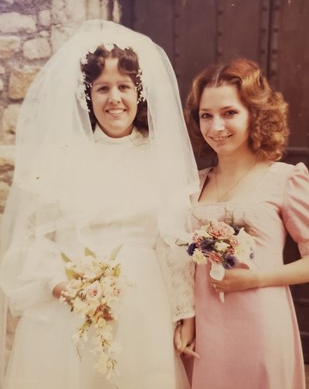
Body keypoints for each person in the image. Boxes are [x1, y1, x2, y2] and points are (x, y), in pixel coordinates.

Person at [0, 20, 200, 389]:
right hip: (69, 306)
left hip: (143, 304)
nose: (114, 99)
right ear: (86, 95)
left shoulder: (159, 157)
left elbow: (175, 242)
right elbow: (32, 238)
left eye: (124, 86)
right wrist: (62, 287)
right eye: (102, 88)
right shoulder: (62, 159)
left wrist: (184, 311)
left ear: (138, 92)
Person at [185, 58, 309, 389]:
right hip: (205, 334)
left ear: (254, 114)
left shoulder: (285, 179)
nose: (216, 127)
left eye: (229, 113)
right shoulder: (192, 186)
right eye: (206, 116)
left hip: (261, 328)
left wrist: (256, 278)